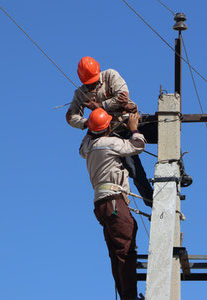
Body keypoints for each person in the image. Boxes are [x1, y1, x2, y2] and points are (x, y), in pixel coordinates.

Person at [67, 56, 153, 206]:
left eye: (93, 81)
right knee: (133, 168)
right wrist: (88, 122)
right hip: (112, 132)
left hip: (129, 120)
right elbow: (70, 116)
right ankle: (150, 200)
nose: (91, 85)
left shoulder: (110, 75)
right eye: (88, 83)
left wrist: (99, 106)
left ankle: (179, 169)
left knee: (164, 133)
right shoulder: (80, 93)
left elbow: (123, 97)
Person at [80, 108, 145, 300]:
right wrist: (133, 128)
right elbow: (138, 145)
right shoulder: (110, 143)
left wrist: (96, 124)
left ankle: (126, 295)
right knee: (125, 250)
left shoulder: (89, 147)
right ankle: (129, 297)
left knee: (117, 253)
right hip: (114, 201)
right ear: (107, 128)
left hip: (102, 204)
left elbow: (85, 141)